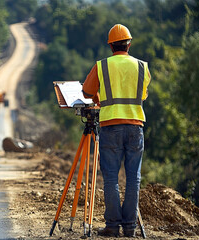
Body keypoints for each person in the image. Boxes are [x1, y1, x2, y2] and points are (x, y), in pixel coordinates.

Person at [82, 24, 151, 237]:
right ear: (129, 44)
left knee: (111, 178)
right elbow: (143, 95)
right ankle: (129, 227)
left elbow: (86, 91)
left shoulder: (102, 66)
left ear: (111, 45)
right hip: (135, 127)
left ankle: (113, 226)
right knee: (133, 177)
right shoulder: (142, 66)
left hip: (110, 126)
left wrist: (98, 98)